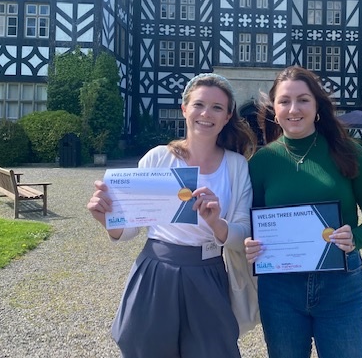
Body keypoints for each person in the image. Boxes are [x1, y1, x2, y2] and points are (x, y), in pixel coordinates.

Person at [87, 73, 258, 358]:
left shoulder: (236, 166)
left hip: (209, 273)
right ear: (184, 109)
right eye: (199, 104)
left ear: (227, 117)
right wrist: (106, 218)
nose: (206, 114)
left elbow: (241, 234)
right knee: (147, 350)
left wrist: (216, 222)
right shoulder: (157, 158)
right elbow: (130, 229)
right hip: (156, 271)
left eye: (217, 107)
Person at [244, 66, 362, 358]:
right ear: (274, 109)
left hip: (341, 284)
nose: (293, 109)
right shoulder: (262, 162)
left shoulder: (349, 152)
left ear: (317, 106)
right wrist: (251, 243)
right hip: (280, 288)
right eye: (284, 101)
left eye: (303, 100)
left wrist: (356, 239)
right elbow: (253, 222)